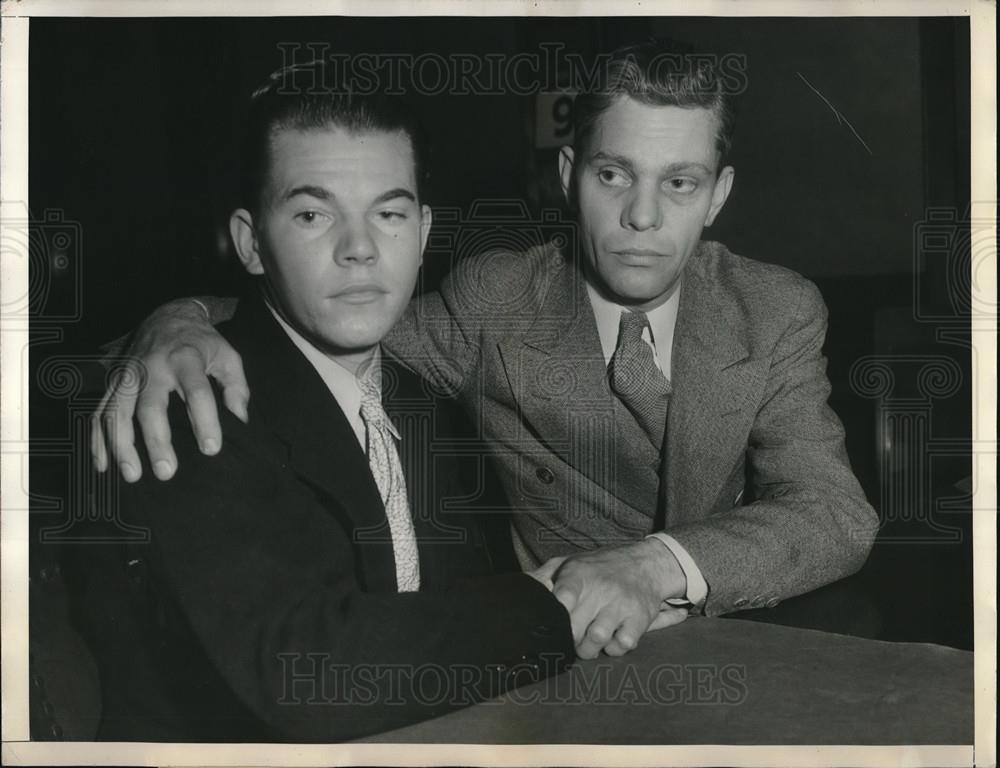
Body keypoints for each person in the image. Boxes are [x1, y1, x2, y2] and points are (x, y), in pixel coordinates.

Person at [92, 40, 879, 662]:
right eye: (615, 174)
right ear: (571, 176)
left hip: (744, 636)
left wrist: (654, 566)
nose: (643, 216)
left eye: (680, 183)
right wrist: (180, 317)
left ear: (719, 194)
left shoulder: (774, 309)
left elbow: (835, 512)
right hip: (544, 659)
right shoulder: (497, 303)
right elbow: (327, 311)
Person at [89, 65, 576, 742]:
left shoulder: (425, 404)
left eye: (390, 212)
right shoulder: (190, 398)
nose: (360, 250)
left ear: (425, 229)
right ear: (251, 242)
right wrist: (553, 609)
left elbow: (453, 621)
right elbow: (309, 676)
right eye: (314, 215)